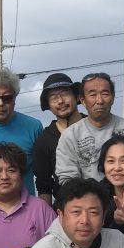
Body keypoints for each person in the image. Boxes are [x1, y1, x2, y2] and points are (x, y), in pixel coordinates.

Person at [55, 72, 124, 183]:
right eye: (92, 95)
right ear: (83, 101)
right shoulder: (70, 136)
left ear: (112, 98)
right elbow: (67, 180)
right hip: (85, 198)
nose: (99, 101)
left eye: (105, 94)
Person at [32, 72, 84, 205]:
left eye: (65, 94)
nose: (60, 101)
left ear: (76, 96)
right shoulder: (44, 141)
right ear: (48, 105)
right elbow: (44, 187)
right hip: (66, 210)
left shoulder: (95, 127)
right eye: (54, 98)